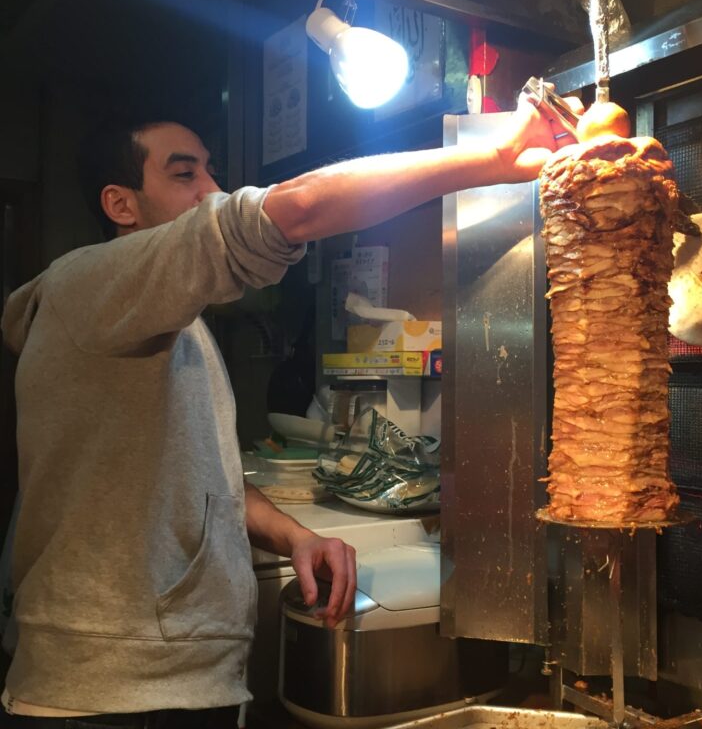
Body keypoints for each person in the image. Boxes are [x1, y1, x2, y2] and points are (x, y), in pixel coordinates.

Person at [0, 91, 582, 728]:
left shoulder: (173, 327)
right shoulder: (86, 282)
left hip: (179, 682)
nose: (212, 189)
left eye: (211, 170)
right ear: (120, 205)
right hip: (108, 694)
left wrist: (296, 536)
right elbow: (294, 209)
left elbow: (205, 479)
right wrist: (494, 159)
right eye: (185, 174)